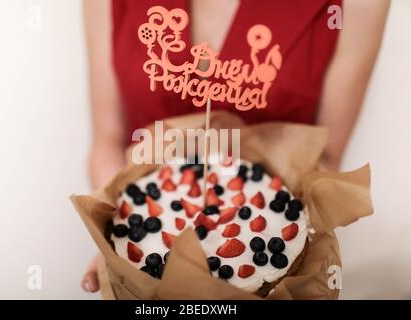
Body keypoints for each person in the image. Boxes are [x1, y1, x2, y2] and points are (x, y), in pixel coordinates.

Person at [81, 0, 389, 293]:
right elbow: (108, 141)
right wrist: (113, 239)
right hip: (150, 226)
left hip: (267, 229)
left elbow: (325, 157)